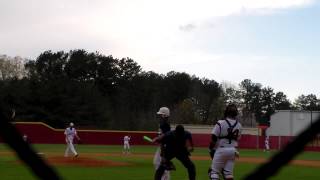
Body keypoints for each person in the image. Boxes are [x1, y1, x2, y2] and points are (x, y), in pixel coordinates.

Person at [208, 104, 242, 180]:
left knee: (213, 173)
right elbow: (237, 138)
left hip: (221, 149)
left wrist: (210, 148)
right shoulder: (239, 125)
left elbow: (214, 137)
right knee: (228, 174)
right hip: (233, 151)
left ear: (226, 112)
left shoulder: (220, 122)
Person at [153, 107, 171, 180]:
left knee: (161, 164)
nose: (160, 116)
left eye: (161, 114)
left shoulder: (164, 125)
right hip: (163, 146)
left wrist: (157, 139)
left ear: (164, 115)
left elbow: (164, 138)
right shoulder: (163, 124)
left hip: (164, 147)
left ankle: (165, 178)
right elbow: (162, 137)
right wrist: (158, 139)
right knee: (157, 163)